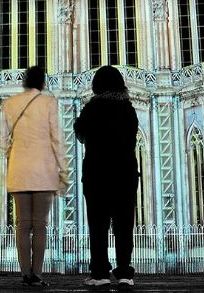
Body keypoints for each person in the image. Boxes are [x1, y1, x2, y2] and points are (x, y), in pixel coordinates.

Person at [0, 66, 69, 286]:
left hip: (19, 170)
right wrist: (64, 171)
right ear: (42, 83)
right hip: (43, 172)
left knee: (22, 224)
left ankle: (25, 272)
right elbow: (58, 140)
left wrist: (14, 152)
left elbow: (1, 139)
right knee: (39, 225)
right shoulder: (49, 103)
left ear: (25, 82)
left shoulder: (10, 104)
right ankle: (37, 273)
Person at [74, 66, 139, 289]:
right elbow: (132, 136)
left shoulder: (92, 109)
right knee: (123, 225)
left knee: (98, 226)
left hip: (97, 175)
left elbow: (80, 133)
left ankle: (100, 272)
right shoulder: (128, 109)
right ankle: (124, 273)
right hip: (124, 174)